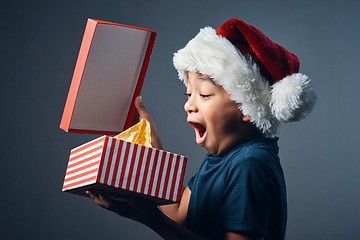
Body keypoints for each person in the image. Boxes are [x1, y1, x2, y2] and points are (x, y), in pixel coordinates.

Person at [86, 18, 316, 240]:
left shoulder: (250, 164)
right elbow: (177, 214)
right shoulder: (220, 158)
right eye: (189, 94)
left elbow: (166, 221)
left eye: (204, 94)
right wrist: (151, 149)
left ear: (248, 106)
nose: (189, 104)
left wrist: (153, 220)